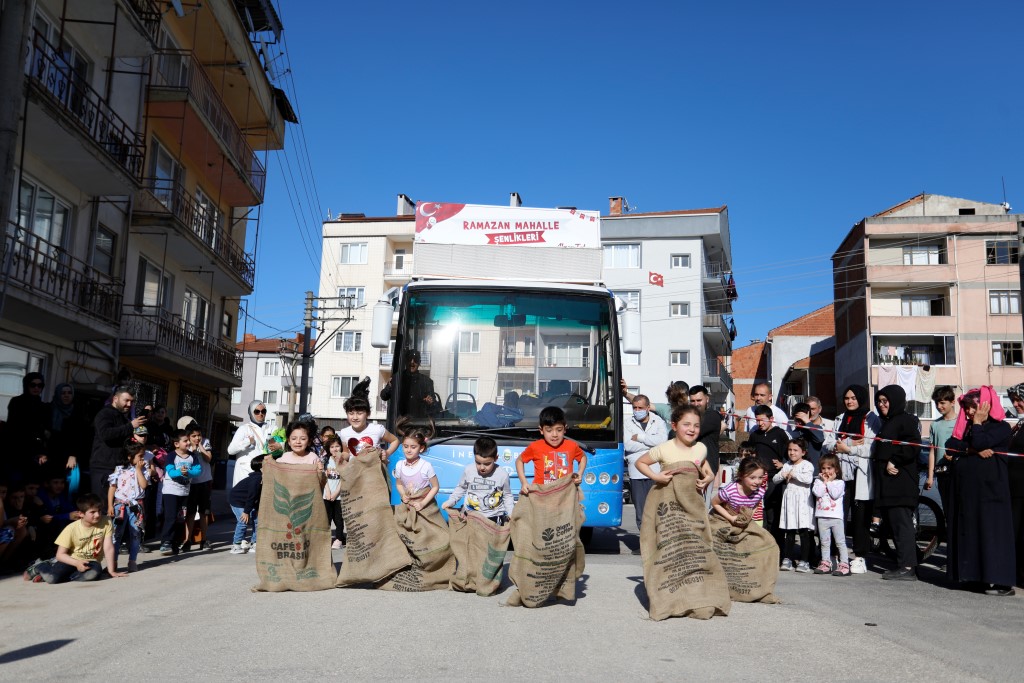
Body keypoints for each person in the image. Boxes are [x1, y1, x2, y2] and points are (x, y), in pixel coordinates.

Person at [945, 386, 1016, 596]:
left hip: (991, 490)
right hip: (970, 491)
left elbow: (981, 441)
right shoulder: (966, 427)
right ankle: (974, 576)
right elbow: (951, 445)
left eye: (972, 408)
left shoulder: (1001, 427)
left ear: (985, 406)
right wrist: (971, 450)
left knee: (993, 533)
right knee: (972, 531)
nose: (968, 413)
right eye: (966, 409)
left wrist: (976, 428)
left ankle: (1001, 580)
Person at [826, 384, 879, 574]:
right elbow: (829, 443)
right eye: (847, 398)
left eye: (853, 398)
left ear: (861, 398)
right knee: (836, 514)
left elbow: (871, 448)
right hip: (841, 473)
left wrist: (847, 448)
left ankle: (859, 556)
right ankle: (833, 554)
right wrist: (848, 443)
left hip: (861, 474)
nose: (849, 401)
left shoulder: (871, 419)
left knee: (860, 517)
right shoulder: (840, 418)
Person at [873, 385, 921, 581]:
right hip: (889, 485)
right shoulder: (888, 422)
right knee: (896, 526)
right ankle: (908, 560)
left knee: (902, 526)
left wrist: (895, 460)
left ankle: (907, 567)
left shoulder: (906, 420)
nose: (882, 404)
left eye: (886, 401)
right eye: (879, 401)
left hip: (900, 483)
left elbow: (914, 445)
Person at [26, 493, 125, 583]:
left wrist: (111, 571)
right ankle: (41, 567)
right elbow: (60, 555)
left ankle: (62, 576)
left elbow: (108, 547)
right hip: (71, 560)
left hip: (91, 562)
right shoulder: (71, 529)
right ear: (81, 514)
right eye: (93, 512)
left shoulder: (106, 521)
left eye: (99, 511)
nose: (98, 515)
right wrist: (77, 563)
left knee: (93, 573)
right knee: (52, 579)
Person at [635, 405, 714, 492]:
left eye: (696, 426)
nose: (692, 429)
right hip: (668, 499)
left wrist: (710, 475)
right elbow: (640, 462)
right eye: (686, 424)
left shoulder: (701, 448)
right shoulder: (663, 449)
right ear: (674, 426)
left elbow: (702, 461)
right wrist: (656, 477)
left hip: (692, 500)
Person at [516, 406, 587, 495]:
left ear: (565, 429)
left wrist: (580, 473)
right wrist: (524, 482)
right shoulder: (535, 447)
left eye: (559, 430)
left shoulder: (572, 446)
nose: (554, 435)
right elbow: (519, 460)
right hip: (541, 496)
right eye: (549, 430)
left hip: (565, 496)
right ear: (541, 430)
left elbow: (583, 457)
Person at [442, 436, 514, 524]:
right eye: (478, 463)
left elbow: (507, 495)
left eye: (487, 464)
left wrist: (511, 513)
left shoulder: (503, 474)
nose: (482, 467)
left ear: (496, 458)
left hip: (494, 518)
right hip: (471, 515)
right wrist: (451, 501)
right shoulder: (468, 470)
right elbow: (461, 488)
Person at [747, 404, 790, 548]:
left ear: (771, 419)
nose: (759, 423)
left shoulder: (780, 434)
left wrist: (783, 464)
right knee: (759, 514)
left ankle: (777, 547)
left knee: (773, 514)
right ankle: (760, 546)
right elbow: (749, 454)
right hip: (757, 481)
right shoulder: (754, 435)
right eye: (757, 420)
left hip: (774, 480)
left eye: (762, 420)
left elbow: (790, 455)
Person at [91, 387, 146, 498]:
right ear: (115, 399)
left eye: (132, 401)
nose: (129, 404)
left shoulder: (124, 418)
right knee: (102, 506)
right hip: (103, 467)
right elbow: (106, 434)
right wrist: (130, 426)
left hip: (119, 467)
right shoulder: (105, 414)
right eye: (126, 400)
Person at [623, 394, 668, 529]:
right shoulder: (627, 422)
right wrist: (651, 443)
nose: (637, 410)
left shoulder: (658, 421)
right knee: (641, 510)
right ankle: (643, 544)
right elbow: (628, 445)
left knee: (657, 509)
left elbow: (662, 442)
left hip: (655, 471)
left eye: (640, 407)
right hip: (636, 472)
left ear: (648, 408)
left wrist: (640, 437)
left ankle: (656, 543)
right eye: (634, 408)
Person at [775, 438, 815, 573]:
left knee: (804, 532)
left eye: (795, 450)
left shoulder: (807, 465)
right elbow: (775, 479)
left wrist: (794, 474)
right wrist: (783, 473)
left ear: (803, 452)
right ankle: (788, 558)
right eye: (790, 450)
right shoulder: (786, 465)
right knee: (790, 531)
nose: (792, 453)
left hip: (803, 502)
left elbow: (808, 479)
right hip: (790, 502)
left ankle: (804, 561)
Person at [107, 442, 148, 572]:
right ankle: (113, 562)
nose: (142, 459)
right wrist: (110, 505)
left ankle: (132, 561)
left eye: (143, 456)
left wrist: (138, 470)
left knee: (135, 533)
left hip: (136, 506)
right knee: (116, 534)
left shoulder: (143, 469)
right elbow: (112, 488)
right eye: (139, 456)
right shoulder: (119, 469)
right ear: (130, 456)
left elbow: (144, 485)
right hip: (120, 505)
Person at [159, 430, 201, 556]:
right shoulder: (172, 456)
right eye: (186, 441)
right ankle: (166, 542)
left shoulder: (193, 456)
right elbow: (170, 472)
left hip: (184, 492)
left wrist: (188, 473)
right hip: (171, 491)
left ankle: (175, 542)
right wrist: (180, 472)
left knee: (180, 518)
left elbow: (198, 470)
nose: (189, 442)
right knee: (170, 517)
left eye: (189, 440)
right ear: (177, 444)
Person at [6, 372, 51, 484]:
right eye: (33, 385)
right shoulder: (17, 402)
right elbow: (14, 427)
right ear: (26, 385)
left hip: (36, 453)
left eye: (40, 385)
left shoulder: (43, 406)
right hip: (17, 451)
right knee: (16, 485)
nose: (36, 388)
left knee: (32, 486)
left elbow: (45, 430)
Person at [813, 453, 850, 576]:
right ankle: (825, 563)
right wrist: (824, 482)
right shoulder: (818, 482)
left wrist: (829, 482)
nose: (826, 471)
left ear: (836, 469)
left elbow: (835, 494)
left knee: (840, 542)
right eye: (823, 468)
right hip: (822, 517)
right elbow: (818, 493)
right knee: (824, 542)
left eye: (829, 468)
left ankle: (844, 564)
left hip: (836, 518)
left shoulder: (840, 483)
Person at [337, 394, 399, 463]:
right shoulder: (344, 433)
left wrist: (387, 453)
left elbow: (395, 441)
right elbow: (346, 452)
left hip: (374, 471)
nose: (355, 417)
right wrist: (341, 457)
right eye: (351, 413)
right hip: (354, 471)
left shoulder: (377, 429)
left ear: (367, 414)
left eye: (359, 413)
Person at [393, 422, 439, 511]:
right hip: (407, 507)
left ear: (421, 448)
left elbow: (435, 487)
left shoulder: (426, 466)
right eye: (406, 446)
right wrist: (403, 495)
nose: (409, 450)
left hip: (425, 509)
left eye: (413, 447)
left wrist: (422, 503)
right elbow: (399, 484)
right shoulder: (399, 465)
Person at [711, 455, 767, 527]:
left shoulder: (760, 492)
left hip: (742, 521)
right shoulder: (730, 491)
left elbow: (756, 503)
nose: (757, 481)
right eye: (752, 478)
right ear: (741, 475)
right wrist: (731, 518)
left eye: (760, 477)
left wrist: (750, 515)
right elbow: (714, 503)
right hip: (723, 519)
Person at [929, 386, 957, 526]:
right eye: (937, 403)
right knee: (947, 509)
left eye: (942, 403)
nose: (939, 406)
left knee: (959, 508)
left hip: (959, 471)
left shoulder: (962, 422)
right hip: (942, 471)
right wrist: (930, 476)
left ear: (952, 402)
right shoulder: (935, 424)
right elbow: (932, 451)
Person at [183, 423, 214, 552]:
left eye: (199, 435)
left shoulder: (205, 442)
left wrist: (200, 446)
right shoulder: (185, 445)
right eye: (194, 436)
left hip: (204, 482)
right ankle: (187, 540)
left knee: (204, 512)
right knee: (189, 513)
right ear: (188, 437)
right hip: (190, 483)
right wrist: (191, 449)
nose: (197, 438)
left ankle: (204, 539)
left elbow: (208, 459)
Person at [380, 350, 437, 418]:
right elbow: (383, 396)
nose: (412, 362)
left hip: (419, 424)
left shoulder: (427, 381)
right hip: (401, 424)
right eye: (410, 359)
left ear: (419, 362)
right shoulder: (397, 378)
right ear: (406, 361)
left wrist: (430, 401)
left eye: (415, 360)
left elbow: (434, 405)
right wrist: (389, 386)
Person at [47, 383, 88, 474]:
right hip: (51, 455)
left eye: (69, 393)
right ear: (58, 394)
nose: (66, 395)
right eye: (63, 393)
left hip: (69, 458)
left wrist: (73, 455)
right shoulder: (49, 410)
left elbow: (81, 437)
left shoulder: (78, 412)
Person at [36, 474, 80, 557]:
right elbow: (47, 518)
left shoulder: (61, 495)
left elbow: (69, 509)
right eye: (55, 483)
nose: (59, 486)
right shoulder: (41, 497)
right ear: (47, 484)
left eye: (62, 483)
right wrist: (67, 516)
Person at [1006, 383, 1024, 588]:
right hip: (1014, 488)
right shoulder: (1019, 425)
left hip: (1021, 489)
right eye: (1013, 401)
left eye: (1019, 400)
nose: (1016, 404)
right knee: (1016, 532)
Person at [229, 455, 263, 554]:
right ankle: (236, 546)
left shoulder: (263, 478)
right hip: (238, 501)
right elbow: (251, 496)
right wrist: (246, 512)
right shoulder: (256, 479)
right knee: (243, 521)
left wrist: (256, 509)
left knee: (257, 521)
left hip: (247, 502)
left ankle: (255, 543)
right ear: (262, 468)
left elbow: (258, 496)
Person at [688, 385, 723, 474]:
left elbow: (692, 433)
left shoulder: (712, 416)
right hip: (691, 465)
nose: (696, 404)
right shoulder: (690, 416)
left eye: (699, 400)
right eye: (692, 401)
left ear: (707, 399)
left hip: (706, 468)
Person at [322, 436, 346, 548]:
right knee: (326, 518)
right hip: (326, 494)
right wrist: (327, 492)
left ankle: (339, 539)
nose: (335, 449)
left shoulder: (344, 461)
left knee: (338, 518)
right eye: (332, 447)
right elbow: (323, 477)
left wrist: (336, 492)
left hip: (339, 496)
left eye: (337, 446)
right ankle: (326, 539)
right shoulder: (326, 460)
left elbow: (344, 479)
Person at [790, 402, 825, 472]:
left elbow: (819, 439)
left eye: (801, 420)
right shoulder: (794, 433)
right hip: (797, 472)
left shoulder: (816, 428)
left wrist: (807, 422)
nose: (798, 423)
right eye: (797, 419)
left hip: (813, 472)